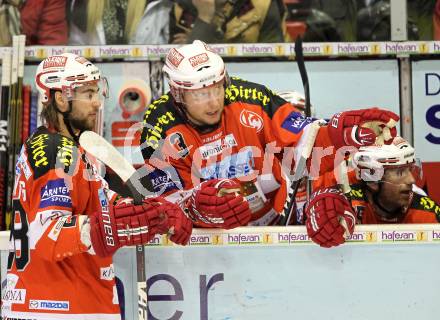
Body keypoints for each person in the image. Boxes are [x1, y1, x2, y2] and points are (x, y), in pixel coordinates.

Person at [2, 53, 192, 319]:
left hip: (61, 303)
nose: (97, 103)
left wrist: (157, 211)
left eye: (97, 93)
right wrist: (107, 227)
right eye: (88, 94)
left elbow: (105, 203)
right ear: (60, 98)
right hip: (55, 307)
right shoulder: (58, 152)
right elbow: (46, 233)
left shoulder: (69, 150)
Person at [139, 40, 399, 235]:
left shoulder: (252, 97)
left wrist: (342, 134)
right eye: (200, 94)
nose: (213, 101)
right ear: (178, 94)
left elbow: (306, 145)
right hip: (207, 239)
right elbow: (162, 197)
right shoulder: (158, 126)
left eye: (217, 88)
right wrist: (195, 205)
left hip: (272, 226)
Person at [303, 136, 440, 248]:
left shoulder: (428, 213)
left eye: (410, 170)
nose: (411, 180)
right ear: (373, 181)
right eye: (399, 173)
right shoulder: (347, 203)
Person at [169, 0, 290, 44]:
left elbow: (273, 57)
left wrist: (197, 40)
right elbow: (181, 64)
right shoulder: (181, 8)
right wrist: (204, 18)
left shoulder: (263, 4)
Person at [68, 0, 172, 45]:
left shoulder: (158, 4)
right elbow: (76, 45)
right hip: (97, 79)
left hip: (145, 79)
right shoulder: (84, 3)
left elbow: (166, 45)